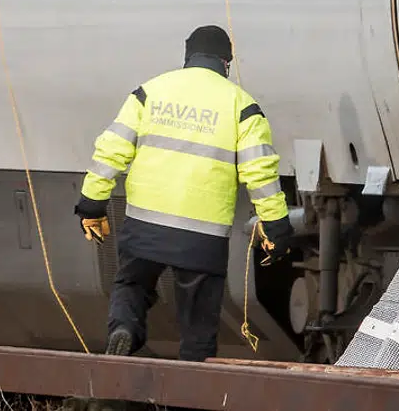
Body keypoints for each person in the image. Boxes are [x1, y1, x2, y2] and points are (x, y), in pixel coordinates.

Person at [74, 25, 294, 361]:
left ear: (188, 56)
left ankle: (125, 330)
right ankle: (193, 372)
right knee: (199, 326)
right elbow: (260, 172)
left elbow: (111, 151)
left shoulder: (149, 92)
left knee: (132, 284)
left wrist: (92, 205)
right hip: (203, 237)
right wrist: (276, 226)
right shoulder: (243, 106)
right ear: (226, 62)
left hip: (145, 226)